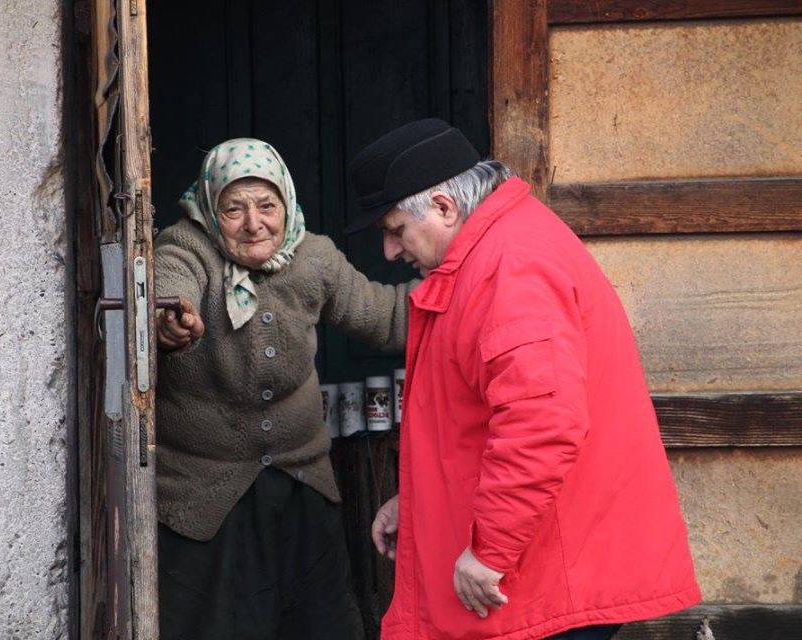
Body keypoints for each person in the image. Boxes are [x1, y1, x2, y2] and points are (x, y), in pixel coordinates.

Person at [348, 119, 700, 640]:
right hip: (549, 567)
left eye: (395, 230)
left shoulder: (511, 267)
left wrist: (490, 552)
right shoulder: (498, 249)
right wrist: (419, 502)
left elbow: (541, 425)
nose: (390, 252)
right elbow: (481, 417)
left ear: (444, 207)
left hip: (549, 576)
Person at [152, 138, 415, 639]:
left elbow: (385, 317)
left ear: (287, 204)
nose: (254, 223)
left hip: (301, 480)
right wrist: (172, 322)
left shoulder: (314, 257)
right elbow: (167, 292)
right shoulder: (185, 246)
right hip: (203, 492)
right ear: (210, 207)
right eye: (234, 209)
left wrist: (467, 284)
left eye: (267, 206)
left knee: (319, 623)